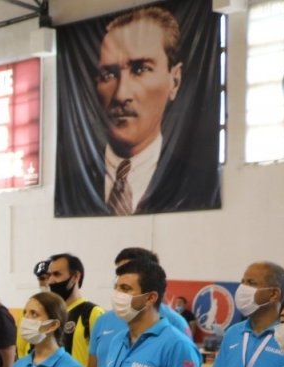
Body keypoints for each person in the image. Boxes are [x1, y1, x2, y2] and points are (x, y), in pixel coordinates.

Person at [58, 7, 216, 216]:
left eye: (140, 69)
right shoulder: (73, 185)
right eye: (108, 75)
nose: (121, 95)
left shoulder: (198, 184)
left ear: (175, 80)